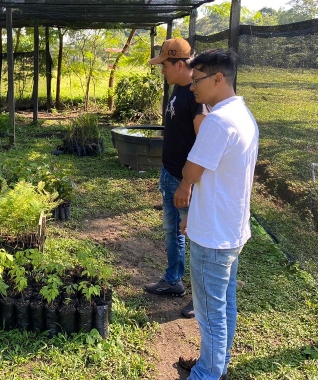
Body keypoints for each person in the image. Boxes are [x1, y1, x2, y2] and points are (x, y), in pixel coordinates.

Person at [174, 49, 259, 380]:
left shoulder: (219, 122)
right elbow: (215, 178)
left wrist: (186, 195)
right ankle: (215, 365)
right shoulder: (242, 114)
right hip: (230, 229)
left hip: (213, 236)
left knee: (210, 314)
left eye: (196, 81)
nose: (192, 88)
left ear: (218, 79)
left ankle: (207, 374)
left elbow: (192, 171)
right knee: (223, 306)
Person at [143, 38, 208, 319]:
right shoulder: (178, 89)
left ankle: (202, 298)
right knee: (173, 231)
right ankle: (173, 280)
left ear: (180, 63)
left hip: (185, 182)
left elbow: (204, 143)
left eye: (165, 65)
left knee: (197, 236)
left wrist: (189, 183)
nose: (162, 71)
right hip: (170, 175)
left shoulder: (197, 96)